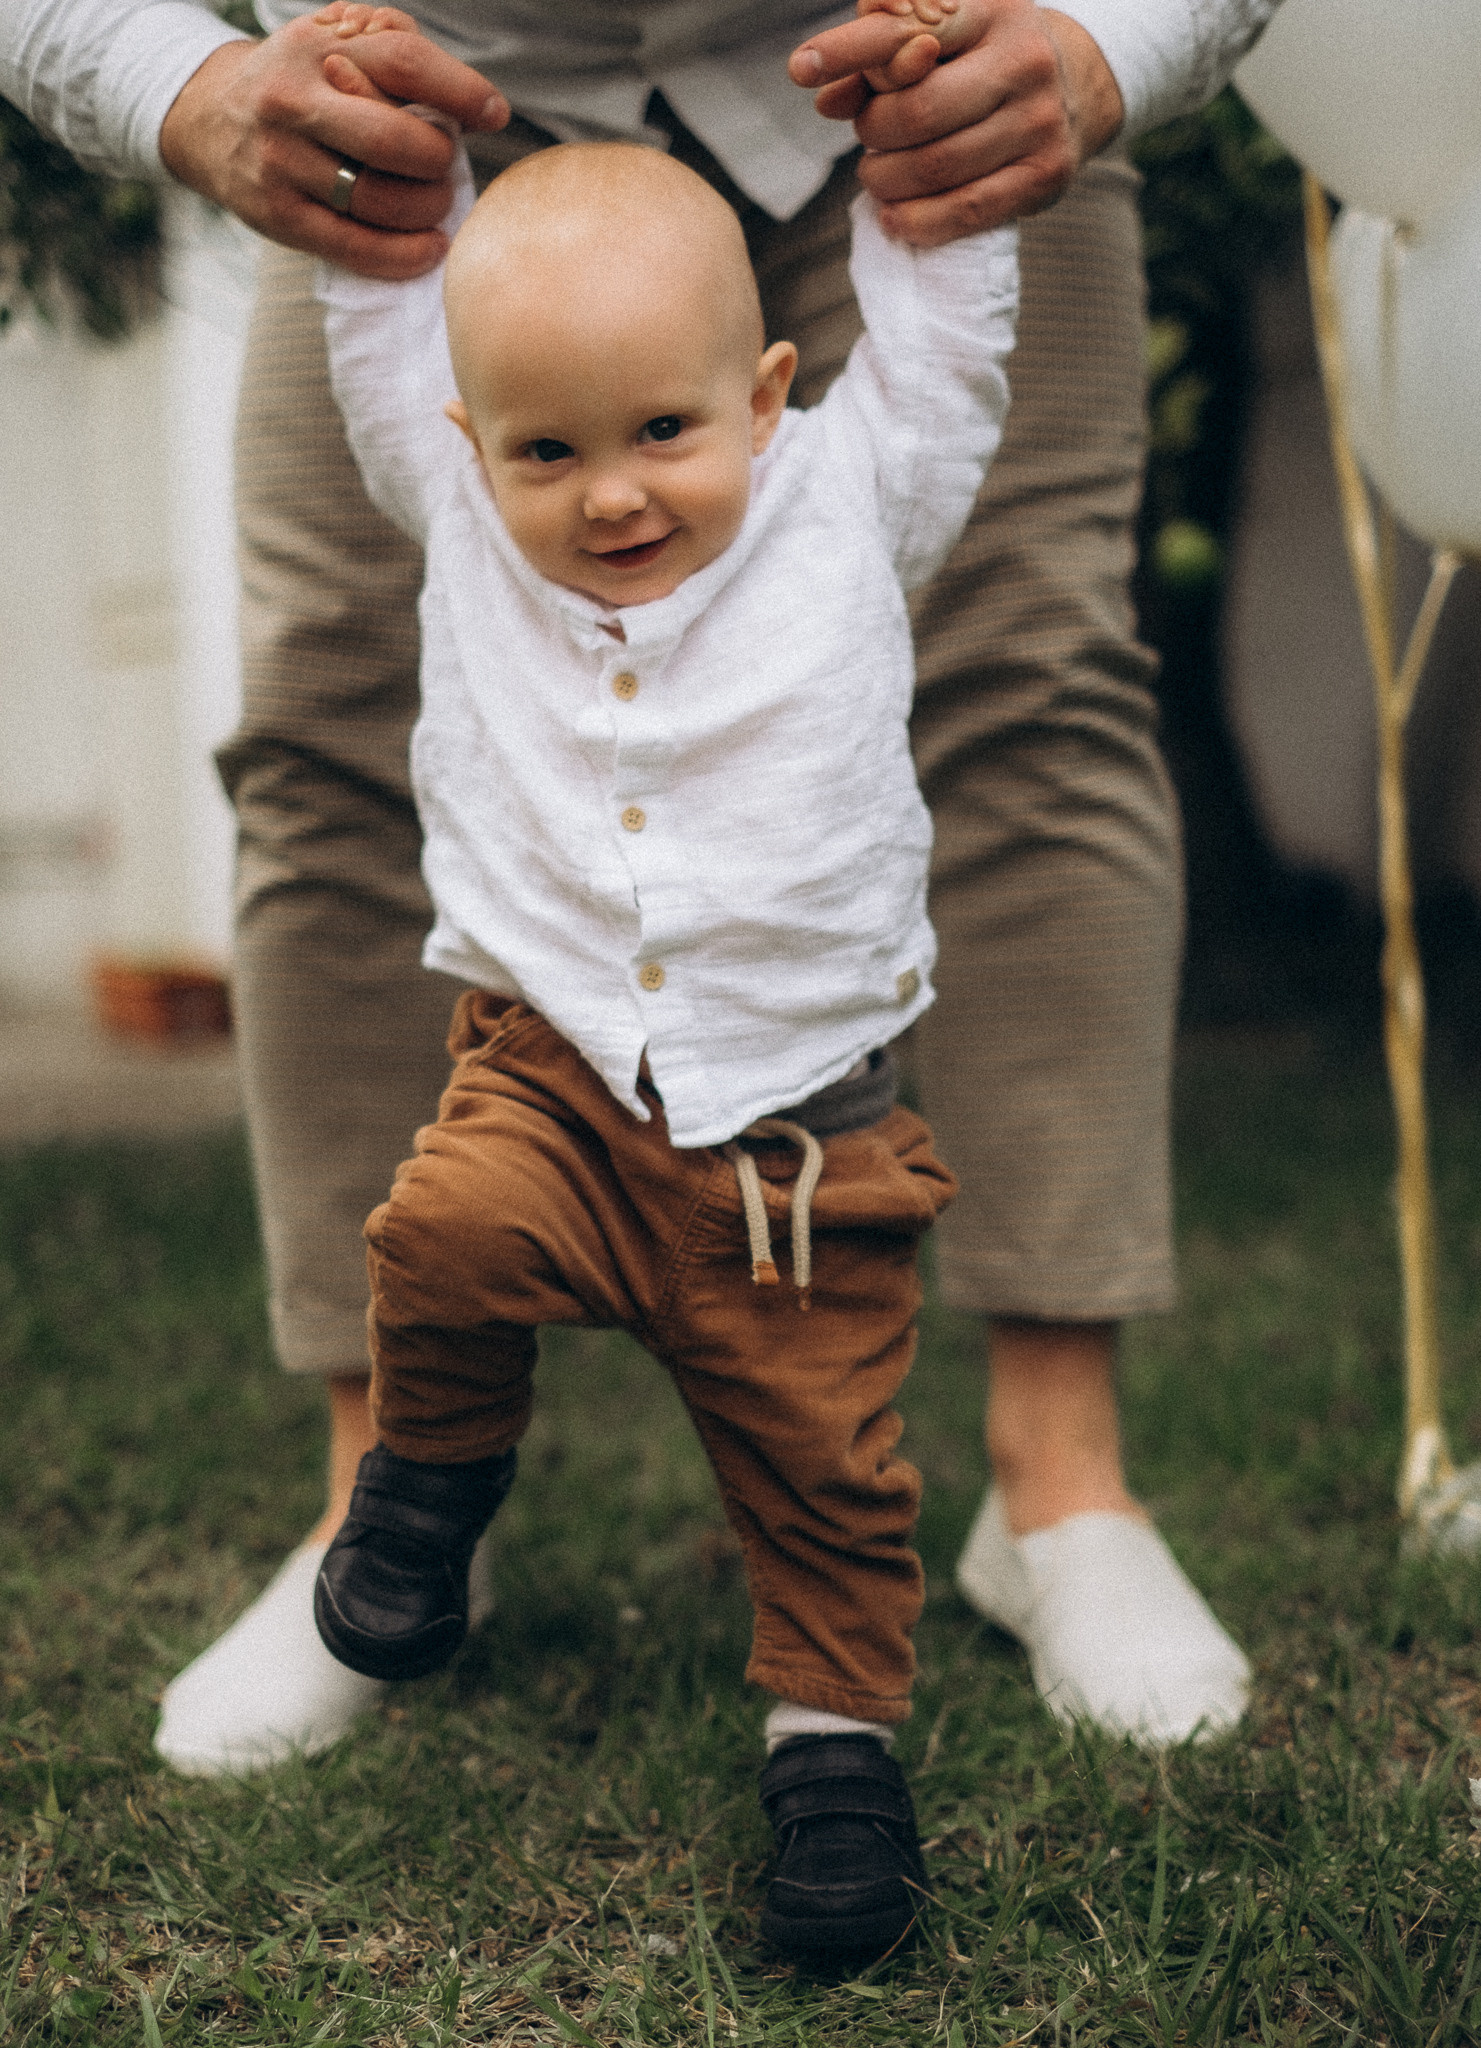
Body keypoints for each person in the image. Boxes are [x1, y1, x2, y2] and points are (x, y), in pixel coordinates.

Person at [3, 0, 1281, 1771]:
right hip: (411, 122)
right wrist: (182, 86)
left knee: (1029, 690)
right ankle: (386, 1502)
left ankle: (1060, 1492)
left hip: (915, 84)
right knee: (329, 734)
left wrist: (1108, 45)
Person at [302, 61, 1017, 1948]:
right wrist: (387, 151)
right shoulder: (464, 517)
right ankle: (429, 1487)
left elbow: (940, 334)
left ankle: (834, 1760)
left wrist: (918, 145)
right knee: (437, 1230)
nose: (609, 493)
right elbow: (385, 308)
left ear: (768, 400)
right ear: (475, 453)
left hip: (800, 1131)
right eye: (545, 455)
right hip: (547, 1075)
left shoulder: (852, 491)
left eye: (663, 433)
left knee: (827, 1475)